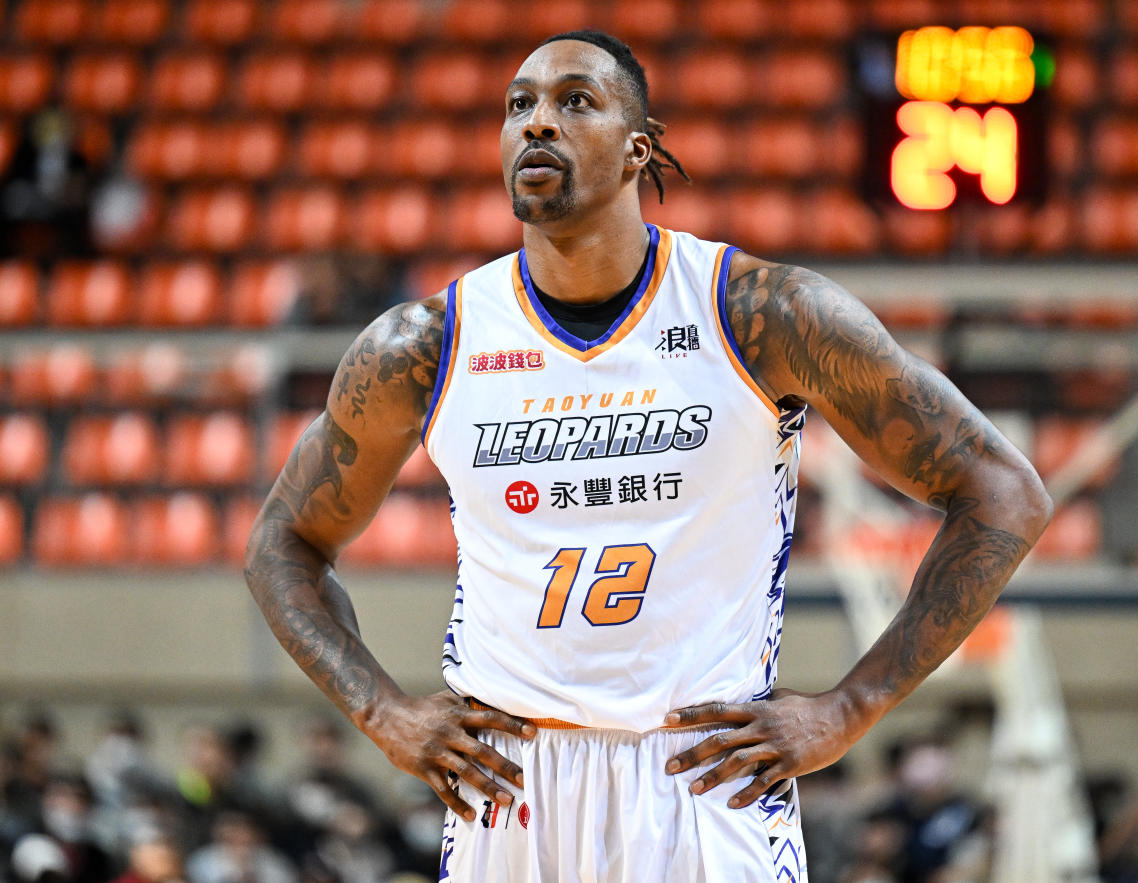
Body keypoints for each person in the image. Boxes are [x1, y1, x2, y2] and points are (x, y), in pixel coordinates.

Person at [245, 29, 1052, 882]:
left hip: (704, 776)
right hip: (508, 783)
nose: (537, 124)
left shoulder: (761, 314)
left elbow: (1002, 490)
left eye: (574, 101)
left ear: (639, 150)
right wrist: (382, 710)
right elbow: (279, 544)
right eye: (519, 105)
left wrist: (852, 706)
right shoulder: (425, 343)